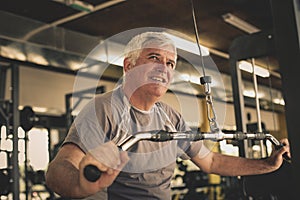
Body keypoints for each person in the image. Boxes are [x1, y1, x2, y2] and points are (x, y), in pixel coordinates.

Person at [45, 31, 291, 200]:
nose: (164, 68)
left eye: (171, 63)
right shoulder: (103, 108)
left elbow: (212, 162)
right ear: (129, 66)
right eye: (154, 58)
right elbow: (58, 169)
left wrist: (266, 165)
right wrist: (80, 182)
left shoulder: (171, 117)